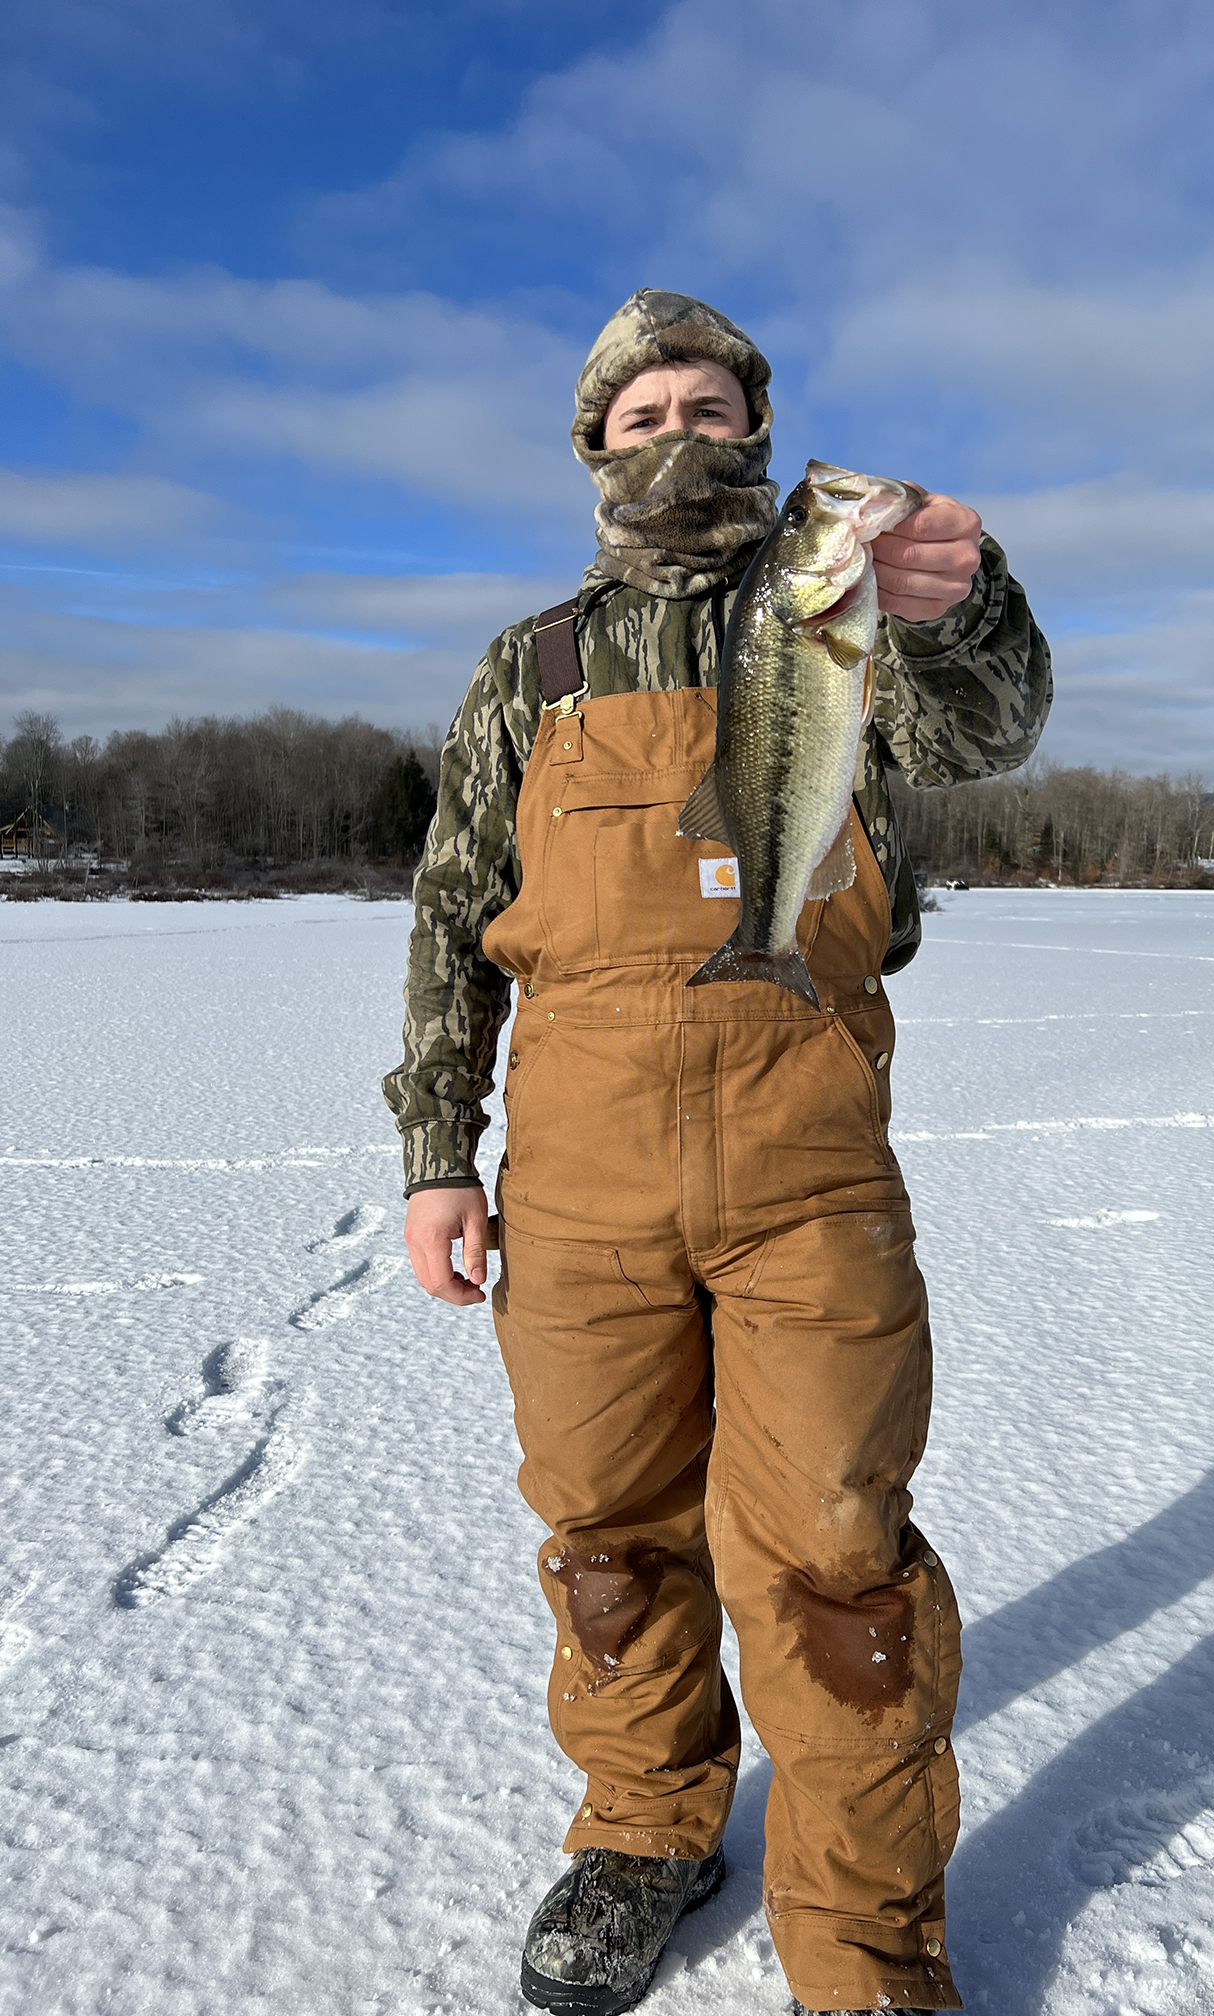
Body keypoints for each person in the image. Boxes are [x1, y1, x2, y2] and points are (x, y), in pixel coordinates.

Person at [384, 289, 1051, 2016]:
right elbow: (454, 913)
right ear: (597, 445)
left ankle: (866, 1943)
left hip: (807, 1167)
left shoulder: (837, 611)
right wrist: (438, 1150)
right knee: (611, 1534)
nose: (680, 430)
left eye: (712, 406)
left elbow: (987, 734)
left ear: (757, 436)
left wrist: (966, 605)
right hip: (581, 1182)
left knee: (835, 1552)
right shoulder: (527, 666)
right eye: (643, 410)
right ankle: (647, 1829)